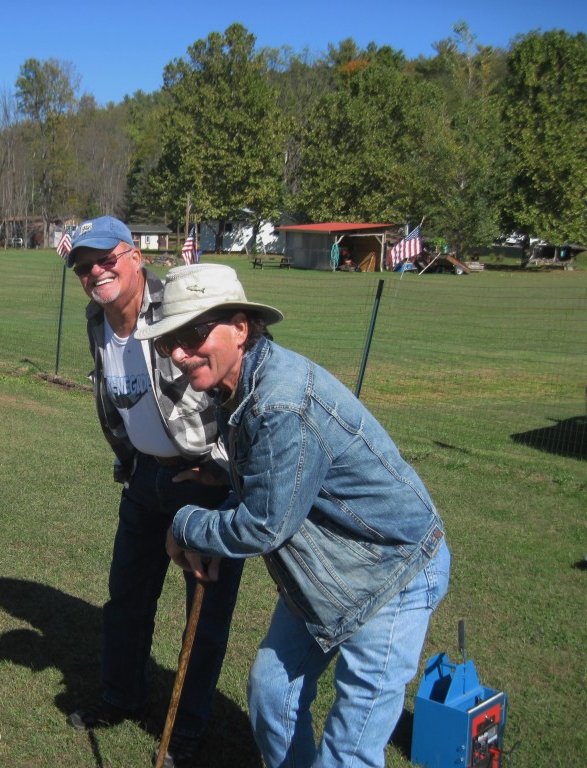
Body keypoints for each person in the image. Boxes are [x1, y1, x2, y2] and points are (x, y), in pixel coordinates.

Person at [134, 264, 451, 768]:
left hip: (393, 574)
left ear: (241, 328)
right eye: (170, 338)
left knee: (349, 750)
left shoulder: (280, 404)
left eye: (194, 333)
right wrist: (215, 528)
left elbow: (265, 523)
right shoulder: (235, 388)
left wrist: (186, 526)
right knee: (271, 696)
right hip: (327, 575)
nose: (177, 352)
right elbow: (271, 487)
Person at [64, 216, 246, 768]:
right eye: (82, 265)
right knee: (127, 598)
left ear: (134, 255)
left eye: (105, 259)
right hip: (144, 479)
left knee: (205, 613)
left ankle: (186, 731)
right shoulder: (97, 320)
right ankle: (121, 696)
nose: (95, 271)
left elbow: (241, 378)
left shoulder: (180, 303)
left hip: (202, 484)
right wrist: (130, 460)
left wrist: (219, 468)